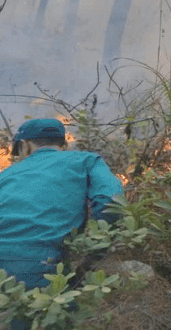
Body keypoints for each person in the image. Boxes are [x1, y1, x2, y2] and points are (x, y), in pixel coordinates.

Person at [0, 118, 124, 291]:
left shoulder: (5, 175)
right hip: (45, 266)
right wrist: (94, 258)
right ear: (64, 145)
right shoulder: (86, 160)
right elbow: (111, 199)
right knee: (55, 304)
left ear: (24, 146)